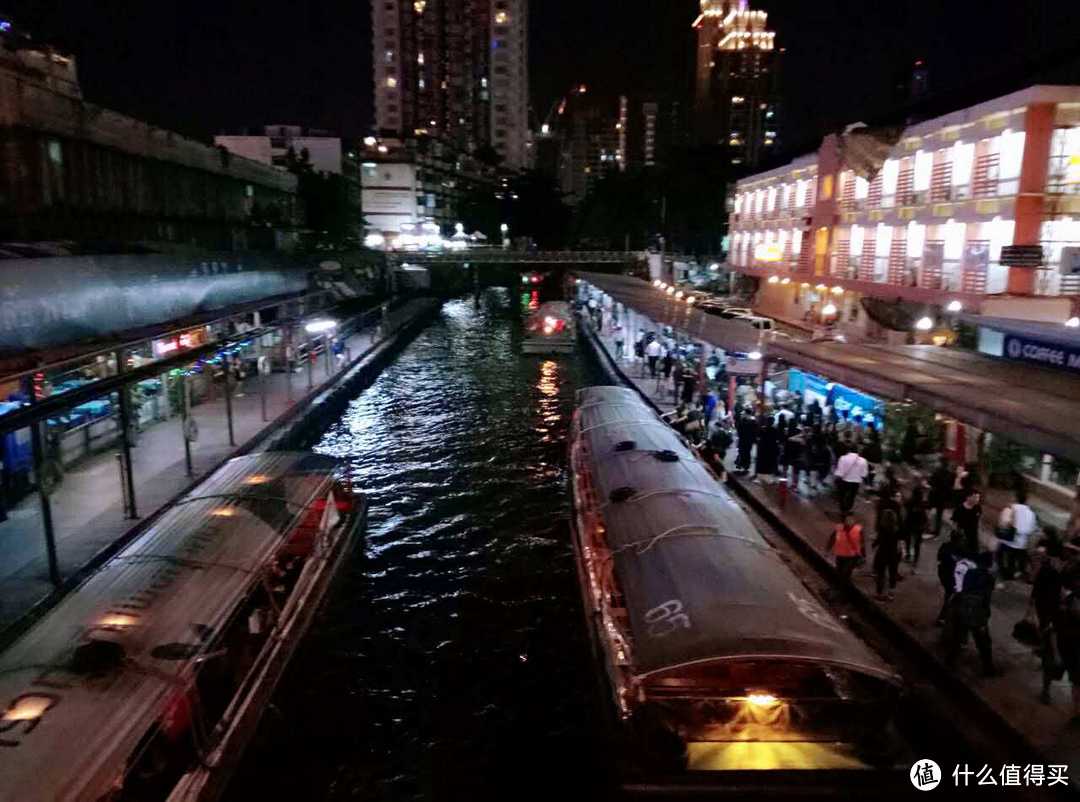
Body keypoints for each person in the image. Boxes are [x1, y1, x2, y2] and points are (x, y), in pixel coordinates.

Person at [945, 550, 998, 676]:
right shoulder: (988, 577)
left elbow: (962, 589)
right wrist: (985, 615)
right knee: (983, 642)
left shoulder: (970, 573)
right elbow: (986, 598)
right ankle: (988, 668)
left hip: (963, 609)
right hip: (977, 613)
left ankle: (950, 660)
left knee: (958, 637)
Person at [1032, 533, 1064, 704]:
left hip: (1054, 613)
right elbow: (1037, 586)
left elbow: (1036, 586)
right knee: (1051, 654)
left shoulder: (1055, 569)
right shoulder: (1053, 569)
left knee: (1050, 649)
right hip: (1052, 613)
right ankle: (1046, 690)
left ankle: (1044, 649)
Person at [996, 487, 1037, 583]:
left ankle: (1005, 575)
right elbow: (1031, 530)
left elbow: (1002, 523)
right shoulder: (1031, 513)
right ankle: (1013, 575)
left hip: (1007, 540)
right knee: (1013, 560)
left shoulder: (1010, 508)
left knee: (1001, 556)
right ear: (1026, 500)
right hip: (1021, 544)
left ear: (1015, 497)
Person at [1054, 568, 1080, 718]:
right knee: (1076, 681)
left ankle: (1076, 709)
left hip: (1073, 646)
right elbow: (1057, 628)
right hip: (1072, 647)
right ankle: (1076, 710)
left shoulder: (1070, 600)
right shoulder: (1068, 601)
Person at [874, 490, 903, 600]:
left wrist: (874, 543)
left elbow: (878, 540)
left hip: (883, 553)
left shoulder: (883, 530)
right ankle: (891, 593)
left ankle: (879, 592)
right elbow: (901, 542)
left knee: (881, 573)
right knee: (892, 573)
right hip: (894, 554)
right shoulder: (898, 530)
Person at [936, 529, 967, 625]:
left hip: (945, 575)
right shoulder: (960, 550)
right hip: (951, 577)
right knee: (950, 597)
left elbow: (939, 558)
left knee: (950, 595)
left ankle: (945, 616)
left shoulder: (945, 546)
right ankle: (943, 617)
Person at [827, 513, 865, 583]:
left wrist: (862, 555)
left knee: (844, 572)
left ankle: (841, 586)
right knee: (841, 571)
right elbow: (832, 538)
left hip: (850, 556)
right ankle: (840, 586)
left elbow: (862, 543)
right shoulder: (840, 528)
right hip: (842, 555)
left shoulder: (857, 529)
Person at [833, 445, 869, 514]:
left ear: (849, 450)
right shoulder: (863, 461)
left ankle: (843, 509)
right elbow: (864, 474)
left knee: (842, 495)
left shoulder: (843, 458)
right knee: (852, 496)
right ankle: (848, 509)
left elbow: (839, 472)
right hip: (856, 482)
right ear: (858, 451)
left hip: (844, 481)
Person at [903, 480, 930, 571]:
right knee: (917, 544)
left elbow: (905, 506)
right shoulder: (922, 503)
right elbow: (925, 515)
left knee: (908, 540)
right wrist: (926, 524)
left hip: (909, 524)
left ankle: (907, 555)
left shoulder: (910, 502)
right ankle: (915, 560)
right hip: (919, 526)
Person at [928, 459, 954, 537]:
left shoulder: (937, 472)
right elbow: (951, 485)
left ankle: (930, 527)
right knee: (939, 514)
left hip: (935, 495)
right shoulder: (950, 474)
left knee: (930, 510)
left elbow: (931, 482)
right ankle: (937, 530)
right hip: (944, 497)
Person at [952, 489, 983, 554]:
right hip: (962, 535)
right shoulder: (960, 508)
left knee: (974, 554)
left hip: (973, 535)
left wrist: (979, 529)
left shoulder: (978, 507)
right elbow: (954, 522)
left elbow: (979, 519)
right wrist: (955, 534)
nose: (977, 499)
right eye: (975, 497)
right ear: (968, 497)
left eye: (978, 497)